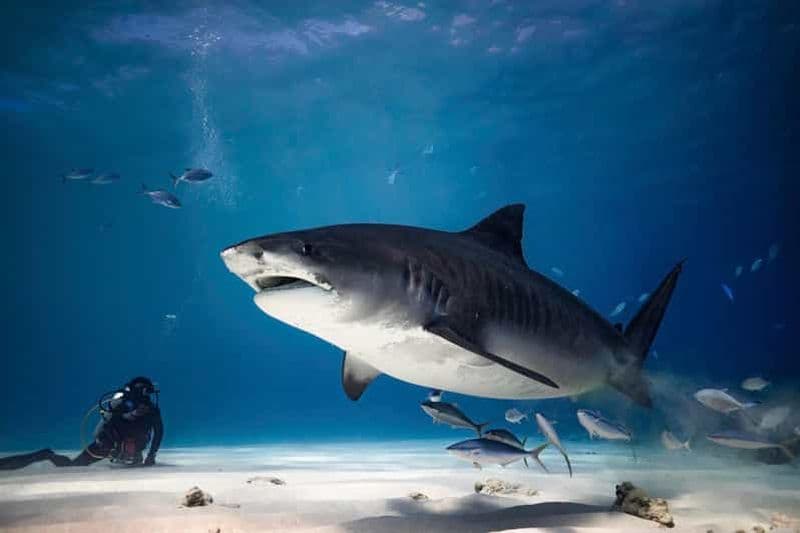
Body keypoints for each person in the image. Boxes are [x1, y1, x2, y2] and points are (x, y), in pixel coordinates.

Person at [0, 376, 163, 470]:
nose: (146, 399)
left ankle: (130, 454)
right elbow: (110, 422)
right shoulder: (120, 403)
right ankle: (46, 454)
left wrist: (151, 455)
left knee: (134, 458)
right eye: (144, 393)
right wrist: (131, 415)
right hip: (106, 446)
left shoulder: (153, 410)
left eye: (148, 394)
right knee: (71, 466)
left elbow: (158, 432)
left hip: (131, 451)